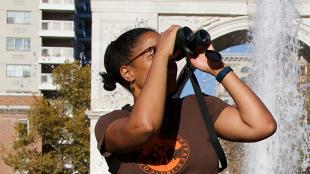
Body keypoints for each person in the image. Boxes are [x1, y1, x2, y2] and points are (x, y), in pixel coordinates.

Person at [95, 25, 277, 174]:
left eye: (171, 55)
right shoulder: (112, 123)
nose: (168, 60)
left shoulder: (200, 107)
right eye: (153, 53)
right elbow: (145, 127)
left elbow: (262, 126)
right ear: (127, 72)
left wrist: (218, 68)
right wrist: (163, 52)